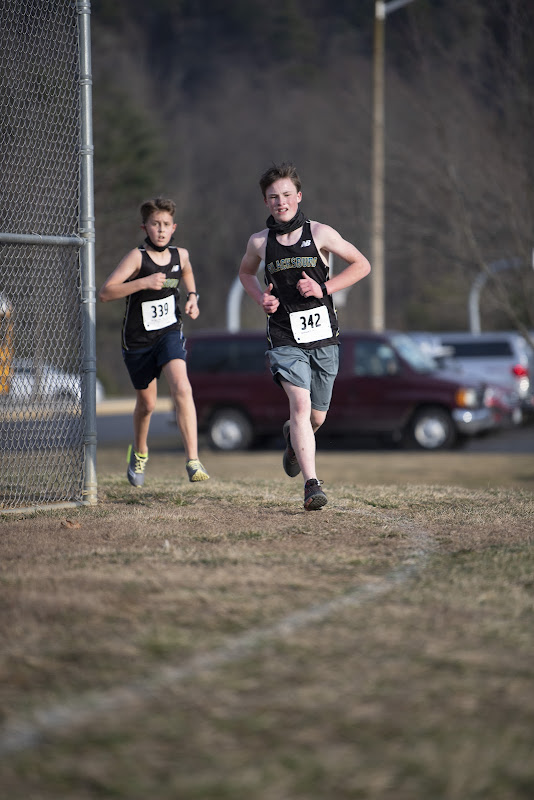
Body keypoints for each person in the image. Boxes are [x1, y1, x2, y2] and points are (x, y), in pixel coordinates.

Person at [239, 163, 370, 510]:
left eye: (286, 195)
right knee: (298, 404)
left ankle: (293, 441)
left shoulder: (322, 233)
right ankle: (312, 486)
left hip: (323, 335)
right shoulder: (259, 242)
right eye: (272, 197)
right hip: (283, 335)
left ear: (298, 196)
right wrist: (260, 299)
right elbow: (245, 273)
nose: (280, 202)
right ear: (266, 203)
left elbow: (362, 265)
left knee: (316, 417)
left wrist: (323, 287)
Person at [98, 197, 209, 486]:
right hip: (138, 340)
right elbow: (106, 292)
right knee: (146, 404)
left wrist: (193, 297)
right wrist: (142, 283)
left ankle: (193, 460)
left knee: (182, 387)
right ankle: (140, 451)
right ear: (144, 227)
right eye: (155, 224)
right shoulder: (137, 257)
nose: (161, 230)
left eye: (166, 225)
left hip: (169, 332)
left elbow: (187, 272)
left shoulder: (180, 255)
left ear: (174, 227)